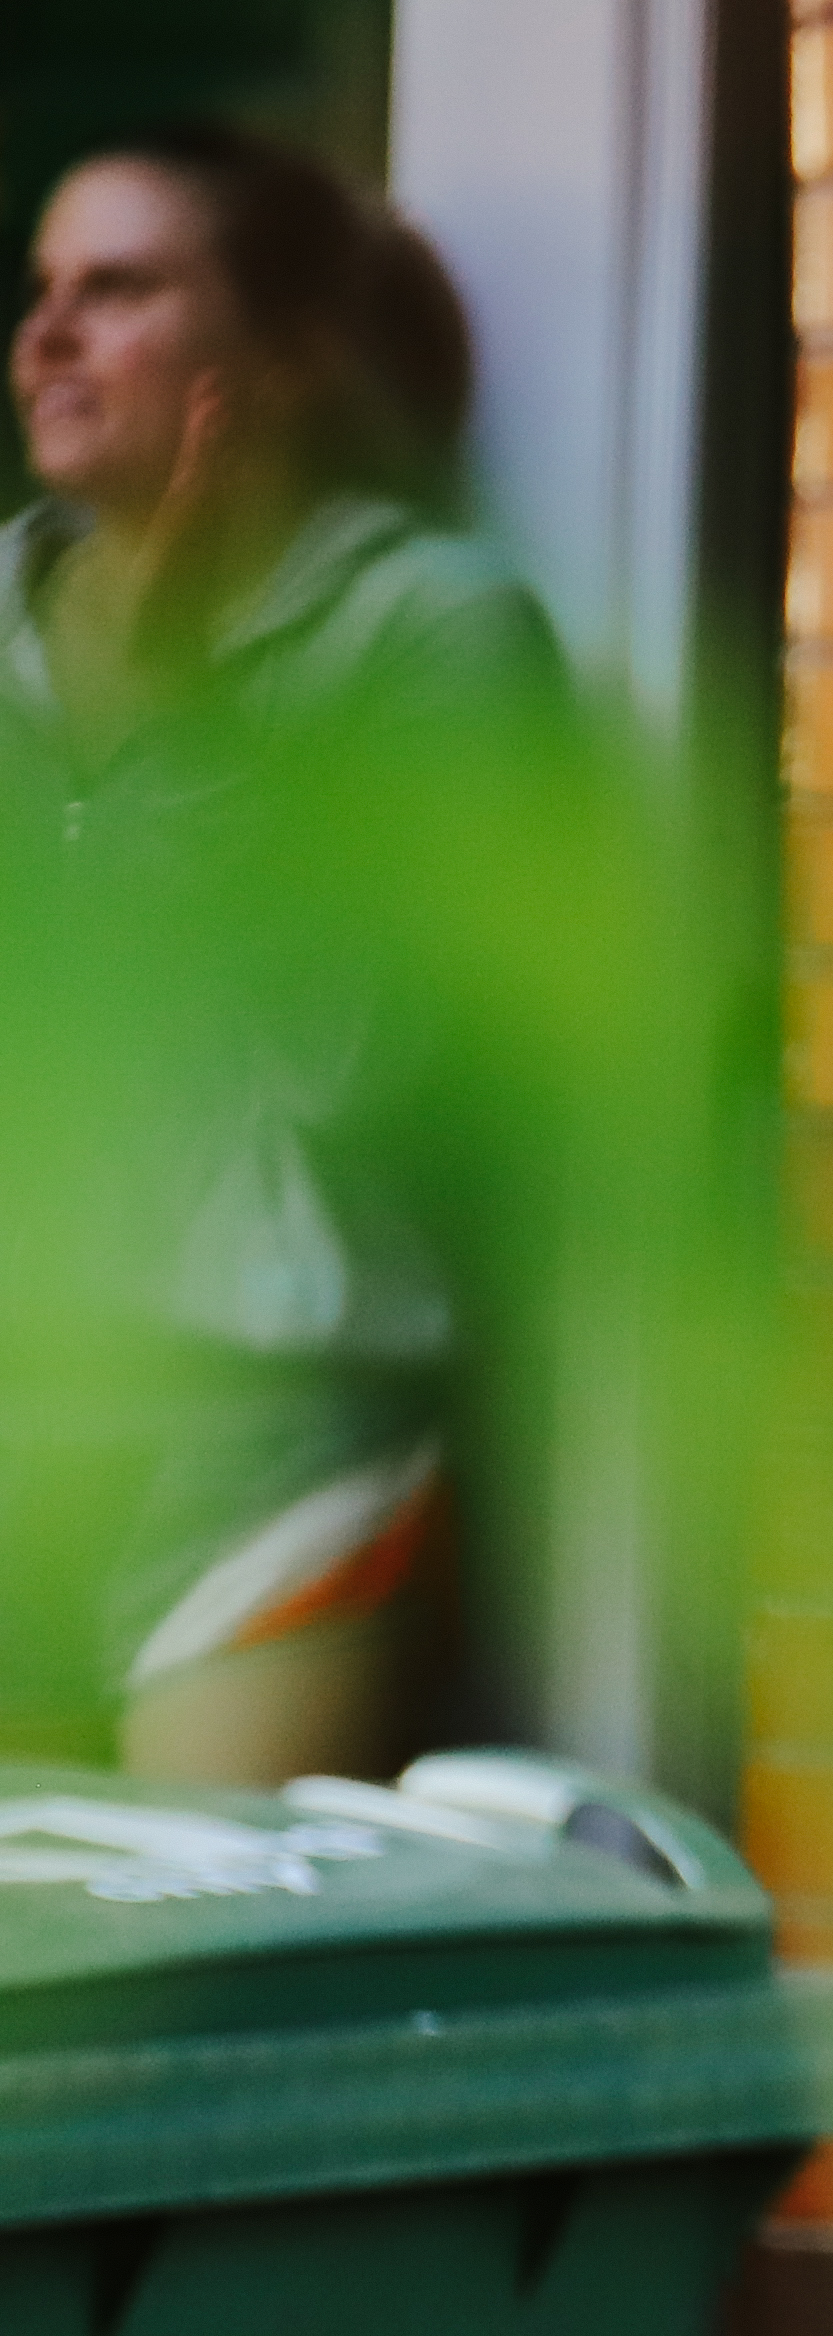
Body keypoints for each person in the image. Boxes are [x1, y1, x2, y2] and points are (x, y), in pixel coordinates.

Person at [2, 126, 563, 1784]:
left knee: (196, 1979)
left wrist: (181, 708)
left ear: (282, 359)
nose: (46, 338)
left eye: (119, 289)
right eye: (42, 291)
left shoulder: (429, 637)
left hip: (271, 1432)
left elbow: (369, 1060)